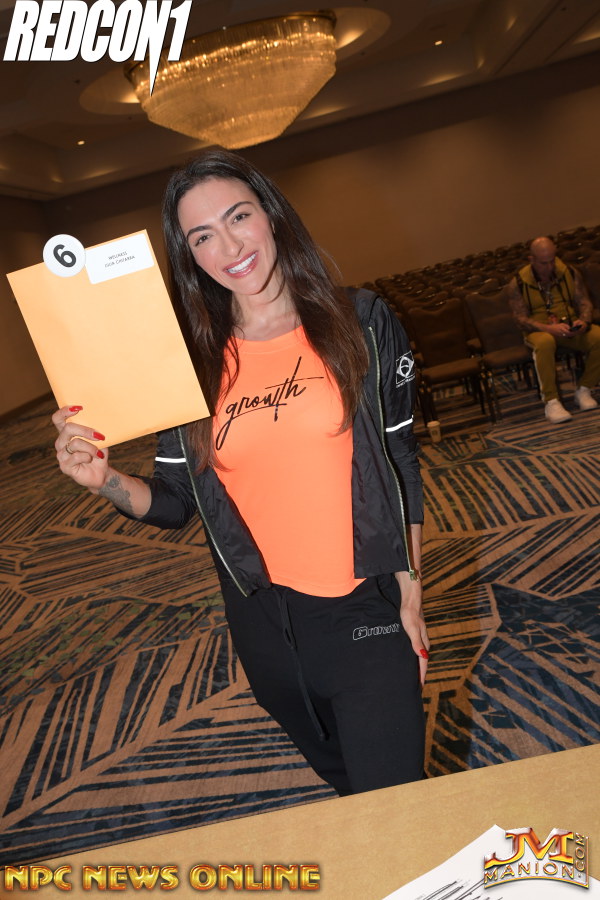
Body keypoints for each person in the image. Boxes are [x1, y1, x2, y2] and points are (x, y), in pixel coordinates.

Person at [52, 148, 428, 797]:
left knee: (396, 803)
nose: (228, 246)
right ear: (189, 256)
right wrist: (103, 480)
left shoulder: (360, 321)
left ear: (271, 215)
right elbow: (176, 500)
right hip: (264, 630)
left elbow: (401, 461)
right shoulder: (192, 363)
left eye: (238, 217)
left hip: (365, 608)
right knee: (349, 795)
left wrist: (411, 593)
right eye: (202, 236)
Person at [507, 236, 600, 423]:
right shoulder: (518, 283)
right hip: (539, 330)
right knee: (545, 343)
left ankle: (584, 389)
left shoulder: (569, 272)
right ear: (532, 259)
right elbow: (520, 319)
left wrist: (583, 321)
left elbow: (584, 302)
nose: (550, 267)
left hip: (568, 326)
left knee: (598, 337)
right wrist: (548, 328)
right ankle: (551, 401)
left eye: (552, 260)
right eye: (544, 263)